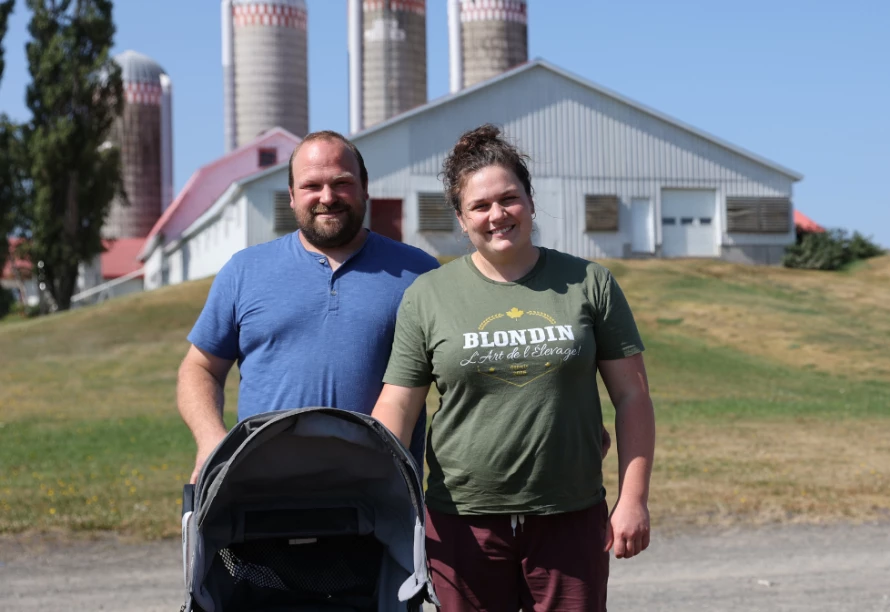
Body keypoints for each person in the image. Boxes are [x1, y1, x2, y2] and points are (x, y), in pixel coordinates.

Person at [371, 124, 656, 611]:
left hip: (569, 514)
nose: (497, 215)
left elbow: (633, 398)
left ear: (530, 200)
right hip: (462, 519)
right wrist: (367, 482)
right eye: (480, 206)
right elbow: (398, 403)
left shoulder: (589, 282)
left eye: (509, 198)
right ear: (462, 219)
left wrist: (633, 500)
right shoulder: (428, 296)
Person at [177, 130, 437, 483]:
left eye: (341, 183)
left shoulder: (419, 274)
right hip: (259, 490)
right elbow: (200, 368)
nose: (327, 197)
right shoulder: (245, 271)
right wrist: (210, 441)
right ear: (291, 196)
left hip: (377, 498)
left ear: (365, 187)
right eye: (311, 186)